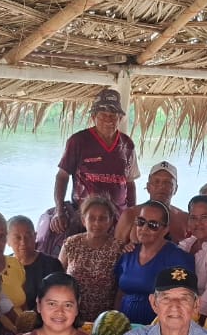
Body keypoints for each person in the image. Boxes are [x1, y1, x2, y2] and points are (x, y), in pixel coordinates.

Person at [43, 88, 139, 253]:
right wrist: (59, 210)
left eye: (113, 116)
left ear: (120, 118)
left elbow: (130, 183)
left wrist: (132, 216)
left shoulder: (127, 144)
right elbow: (62, 176)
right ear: (93, 117)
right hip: (85, 217)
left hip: (117, 218)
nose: (108, 120)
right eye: (103, 115)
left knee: (120, 256)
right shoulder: (78, 141)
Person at [113, 200, 194, 325]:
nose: (144, 228)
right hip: (124, 327)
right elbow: (119, 294)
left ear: (165, 230)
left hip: (161, 330)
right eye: (141, 222)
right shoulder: (128, 253)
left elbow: (185, 300)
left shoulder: (178, 258)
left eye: (153, 225)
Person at [61, 195, 123, 323]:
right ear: (83, 220)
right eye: (92, 218)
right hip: (71, 316)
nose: (97, 223)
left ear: (111, 221)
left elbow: (121, 288)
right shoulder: (71, 244)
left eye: (102, 218)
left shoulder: (118, 248)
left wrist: (114, 317)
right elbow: (58, 278)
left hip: (104, 319)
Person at [115, 161, 189, 244]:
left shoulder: (184, 219)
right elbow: (115, 248)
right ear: (148, 186)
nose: (161, 186)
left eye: (167, 183)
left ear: (176, 189)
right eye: (156, 181)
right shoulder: (130, 215)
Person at [6, 215, 63, 311]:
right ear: (7, 240)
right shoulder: (3, 267)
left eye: (28, 236)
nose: (23, 242)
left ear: (35, 236)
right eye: (17, 237)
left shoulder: (52, 265)